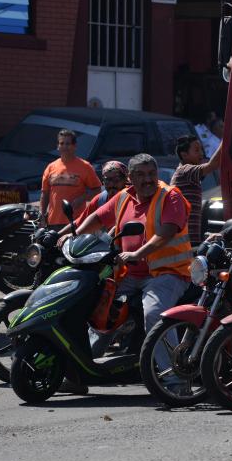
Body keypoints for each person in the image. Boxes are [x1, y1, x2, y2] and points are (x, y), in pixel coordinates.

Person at [70, 153, 192, 360]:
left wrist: (137, 253)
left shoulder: (170, 196)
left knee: (155, 314)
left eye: (152, 174)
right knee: (102, 309)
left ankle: (173, 378)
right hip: (130, 275)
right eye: (141, 174)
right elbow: (98, 217)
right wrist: (73, 239)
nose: (148, 179)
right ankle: (83, 368)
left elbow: (167, 231)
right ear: (131, 178)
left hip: (166, 274)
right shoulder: (124, 197)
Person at [39, 129, 101, 229]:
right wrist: (42, 215)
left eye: (68, 144)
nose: (64, 147)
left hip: (76, 221)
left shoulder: (85, 166)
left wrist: (81, 199)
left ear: (74, 146)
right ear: (57, 146)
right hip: (53, 222)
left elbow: (97, 190)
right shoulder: (50, 167)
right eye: (61, 143)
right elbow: (45, 194)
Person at [172, 134, 222, 245]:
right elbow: (212, 165)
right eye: (196, 150)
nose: (201, 154)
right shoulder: (185, 170)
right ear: (184, 155)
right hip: (185, 240)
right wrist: (226, 139)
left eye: (201, 149)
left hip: (189, 239)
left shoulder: (188, 173)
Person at [59, 160, 128, 234]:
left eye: (116, 180)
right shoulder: (100, 200)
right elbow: (79, 223)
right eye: (107, 180)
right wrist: (57, 235)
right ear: (103, 182)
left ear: (125, 179)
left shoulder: (131, 197)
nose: (111, 184)